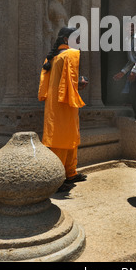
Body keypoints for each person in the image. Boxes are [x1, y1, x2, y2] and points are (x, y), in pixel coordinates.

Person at [38, 27, 88, 192]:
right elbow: (71, 82)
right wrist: (79, 85)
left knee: (62, 137)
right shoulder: (71, 54)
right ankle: (57, 178)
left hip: (54, 104)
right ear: (66, 40)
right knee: (65, 138)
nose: (80, 41)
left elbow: (46, 86)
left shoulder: (50, 58)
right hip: (66, 102)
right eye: (77, 38)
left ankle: (70, 173)